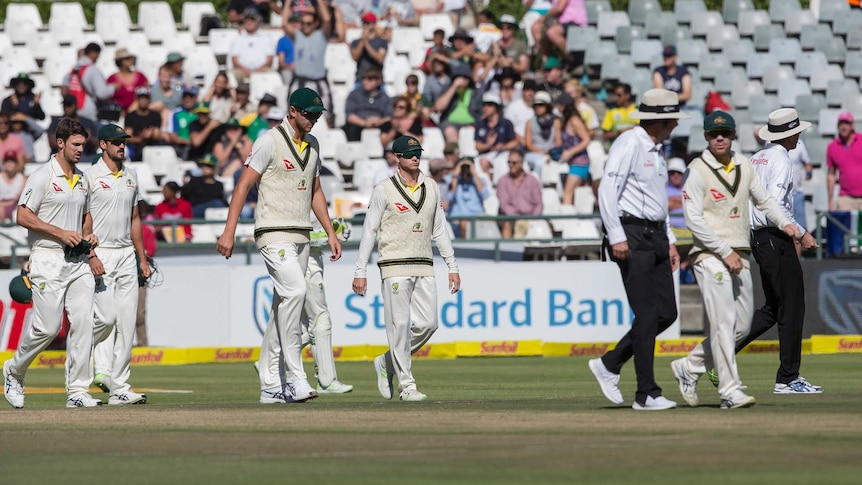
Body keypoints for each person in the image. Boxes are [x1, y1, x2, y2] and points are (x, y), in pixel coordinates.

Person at [216, 87, 342, 404]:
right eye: (309, 114)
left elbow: (315, 190)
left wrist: (329, 231)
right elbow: (243, 184)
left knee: (279, 309)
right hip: (272, 231)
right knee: (296, 292)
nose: (314, 120)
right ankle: (295, 378)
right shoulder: (268, 141)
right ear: (293, 112)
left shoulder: (313, 144)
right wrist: (229, 231)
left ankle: (270, 382)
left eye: (317, 115)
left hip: (301, 234)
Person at [669, 111, 798, 410]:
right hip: (710, 255)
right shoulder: (697, 170)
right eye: (715, 134)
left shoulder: (744, 165)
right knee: (725, 322)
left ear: (733, 135)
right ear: (705, 137)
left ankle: (689, 367)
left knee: (741, 326)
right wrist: (722, 250)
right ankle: (730, 390)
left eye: (725, 133)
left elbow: (765, 199)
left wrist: (786, 224)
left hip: (739, 254)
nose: (720, 138)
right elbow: (693, 219)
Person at [588, 89, 688, 411]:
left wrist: (670, 240)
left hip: (656, 234)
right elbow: (607, 189)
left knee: (666, 314)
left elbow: (659, 199)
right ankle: (646, 394)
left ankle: (610, 362)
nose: (675, 123)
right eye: (672, 117)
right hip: (632, 233)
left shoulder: (658, 149)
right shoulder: (630, 143)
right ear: (659, 119)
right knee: (646, 314)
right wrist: (616, 235)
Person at [352, 135, 460, 401]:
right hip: (393, 264)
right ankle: (407, 386)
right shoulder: (383, 189)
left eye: (418, 152)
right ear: (396, 158)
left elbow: (439, 231)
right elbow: (369, 231)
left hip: (424, 263)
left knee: (429, 324)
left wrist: (452, 266)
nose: (415, 157)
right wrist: (360, 271)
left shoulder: (432, 187)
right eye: (409, 153)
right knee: (399, 326)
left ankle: (387, 362)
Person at [3, 118, 101, 409]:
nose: (81, 149)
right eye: (76, 144)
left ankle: (78, 391)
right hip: (47, 258)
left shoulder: (83, 178)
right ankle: (14, 371)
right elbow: (22, 216)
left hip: (77, 262)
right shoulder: (42, 175)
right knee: (47, 328)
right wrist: (61, 233)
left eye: (84, 144)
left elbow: (85, 214)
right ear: (60, 143)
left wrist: (88, 236)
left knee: (84, 322)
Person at [735, 108, 821, 394]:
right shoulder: (782, 159)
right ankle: (788, 378)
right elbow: (775, 205)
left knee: (773, 308)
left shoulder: (757, 157)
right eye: (796, 132)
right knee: (792, 306)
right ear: (789, 134)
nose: (798, 136)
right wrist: (801, 232)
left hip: (759, 238)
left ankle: (715, 354)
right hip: (775, 236)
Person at [86, 124, 151, 405]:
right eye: (116, 142)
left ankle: (120, 387)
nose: (122, 146)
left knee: (126, 322)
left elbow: (135, 219)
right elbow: (83, 221)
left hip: (126, 255)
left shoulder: (131, 175)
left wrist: (142, 258)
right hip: (101, 253)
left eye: (124, 142)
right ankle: (81, 356)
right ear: (103, 145)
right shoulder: (89, 176)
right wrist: (90, 255)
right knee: (107, 318)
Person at [259, 213, 354, 394]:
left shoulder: (311, 191)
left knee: (303, 326)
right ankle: (327, 381)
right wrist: (332, 235)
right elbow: (303, 236)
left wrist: (333, 228)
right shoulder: (298, 195)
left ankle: (271, 359)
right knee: (320, 318)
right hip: (305, 260)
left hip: (312, 260)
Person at [286, 10, 333, 126]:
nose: (305, 26)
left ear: (316, 23)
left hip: (318, 82)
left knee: (325, 115)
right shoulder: (298, 35)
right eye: (303, 23)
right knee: (293, 113)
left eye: (308, 23)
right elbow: (285, 23)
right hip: (299, 81)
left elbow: (327, 20)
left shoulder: (321, 36)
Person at [64, 43, 117, 123]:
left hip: (73, 109)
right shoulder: (92, 70)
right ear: (93, 53)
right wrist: (114, 87)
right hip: (87, 109)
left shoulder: (72, 70)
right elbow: (101, 93)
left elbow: (64, 89)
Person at [496, 150, 543, 238]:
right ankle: (508, 250)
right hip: (510, 218)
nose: (511, 165)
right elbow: (504, 205)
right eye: (509, 162)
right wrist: (517, 217)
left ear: (521, 163)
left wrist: (532, 218)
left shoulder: (532, 180)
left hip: (530, 217)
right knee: (507, 225)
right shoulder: (503, 181)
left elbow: (538, 203)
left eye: (514, 163)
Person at [475, 92, 518, 183]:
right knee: (483, 162)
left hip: (504, 153)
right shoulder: (480, 124)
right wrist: (487, 145)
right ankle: (489, 187)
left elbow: (514, 142)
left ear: (496, 107)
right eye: (484, 105)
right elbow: (478, 145)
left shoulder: (506, 123)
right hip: (487, 154)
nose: (485, 108)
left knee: (501, 162)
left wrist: (503, 147)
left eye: (489, 105)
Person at [343, 68, 392, 142]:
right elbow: (349, 115)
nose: (365, 82)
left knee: (389, 126)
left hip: (379, 126)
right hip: (359, 126)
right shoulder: (354, 94)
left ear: (378, 81)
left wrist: (380, 121)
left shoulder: (384, 97)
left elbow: (390, 116)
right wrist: (364, 123)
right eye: (364, 78)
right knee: (350, 128)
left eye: (369, 79)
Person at [827, 111, 862, 211]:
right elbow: (831, 175)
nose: (844, 126)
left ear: (853, 125)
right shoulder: (832, 146)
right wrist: (830, 201)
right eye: (841, 123)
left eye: (847, 123)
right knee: (845, 227)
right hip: (845, 198)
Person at [230, 7, 275, 84]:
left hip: (262, 70)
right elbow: (235, 60)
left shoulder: (266, 37)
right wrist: (246, 70)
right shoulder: (238, 38)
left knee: (273, 74)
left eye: (252, 19)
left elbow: (269, 59)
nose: (249, 21)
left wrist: (258, 70)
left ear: (258, 21)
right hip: (242, 70)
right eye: (246, 19)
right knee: (230, 75)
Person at [559, 100, 591, 207]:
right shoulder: (565, 120)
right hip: (573, 163)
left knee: (567, 194)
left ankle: (565, 221)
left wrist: (570, 152)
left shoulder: (574, 121)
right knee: (574, 196)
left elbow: (586, 140)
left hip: (580, 163)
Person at [523, 91, 561, 178]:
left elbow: (558, 142)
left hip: (552, 153)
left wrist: (551, 152)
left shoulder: (556, 121)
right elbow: (529, 144)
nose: (538, 108)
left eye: (541, 105)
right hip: (534, 154)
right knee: (540, 162)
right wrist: (543, 153)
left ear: (547, 106)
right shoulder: (529, 123)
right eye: (536, 105)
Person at [448, 157, 489, 238]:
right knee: (464, 223)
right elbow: (449, 196)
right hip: (458, 218)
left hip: (477, 216)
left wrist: (473, 172)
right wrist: (456, 173)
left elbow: (484, 194)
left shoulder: (480, 180)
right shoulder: (453, 180)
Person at [135, 200, 157, 346]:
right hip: (123, 273)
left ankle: (143, 344)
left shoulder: (146, 231)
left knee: (139, 314)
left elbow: (150, 250)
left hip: (140, 276)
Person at [124, 87, 164, 162]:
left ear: (149, 99)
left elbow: (157, 134)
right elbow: (127, 137)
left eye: (146, 98)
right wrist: (141, 138)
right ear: (137, 99)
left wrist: (150, 135)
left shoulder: (155, 115)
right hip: (135, 147)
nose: (143, 100)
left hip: (152, 146)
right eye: (141, 98)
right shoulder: (130, 116)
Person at [183, 154, 227, 218]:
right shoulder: (194, 181)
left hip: (212, 213)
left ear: (214, 168)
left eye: (208, 166)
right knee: (217, 203)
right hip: (195, 210)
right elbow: (186, 197)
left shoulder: (219, 185)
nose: (205, 168)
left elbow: (222, 199)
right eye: (203, 165)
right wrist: (185, 186)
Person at [107, 48, 150, 114]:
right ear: (120, 61)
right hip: (119, 114)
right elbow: (109, 99)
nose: (130, 60)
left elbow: (147, 93)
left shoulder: (140, 76)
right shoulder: (112, 79)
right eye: (127, 58)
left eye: (131, 58)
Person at [349, 12, 388, 85]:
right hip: (360, 80)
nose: (365, 25)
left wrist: (366, 44)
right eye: (364, 22)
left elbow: (380, 59)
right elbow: (355, 57)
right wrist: (362, 42)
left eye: (368, 23)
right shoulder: (356, 42)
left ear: (374, 24)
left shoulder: (381, 41)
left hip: (377, 81)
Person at [0, 151, 26, 221]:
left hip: (16, 206)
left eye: (12, 161)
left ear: (16, 163)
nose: (9, 164)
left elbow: (22, 197)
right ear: (3, 163)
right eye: (7, 161)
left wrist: (13, 202)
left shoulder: (22, 179)